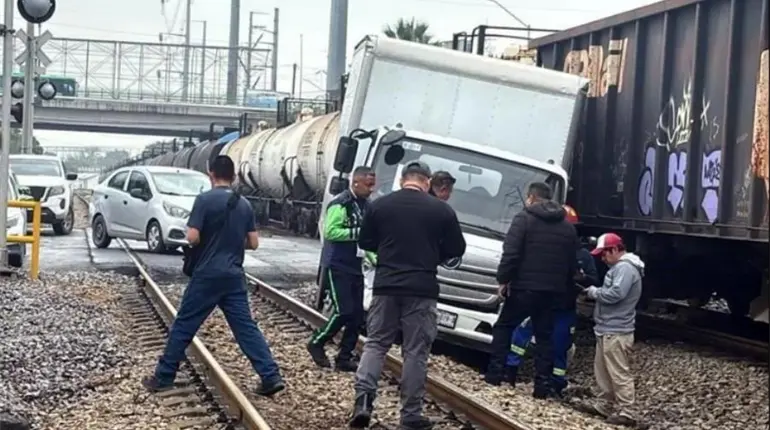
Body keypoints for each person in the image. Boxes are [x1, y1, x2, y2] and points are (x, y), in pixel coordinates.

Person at [142, 155, 284, 396]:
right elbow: (253, 243)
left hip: (207, 275)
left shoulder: (204, 200)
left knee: (184, 325)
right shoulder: (244, 204)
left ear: (211, 174)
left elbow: (192, 237)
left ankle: (164, 376)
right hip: (234, 276)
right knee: (246, 328)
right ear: (234, 176)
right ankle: (270, 376)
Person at [349, 161, 466, 430]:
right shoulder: (441, 210)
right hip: (421, 289)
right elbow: (456, 248)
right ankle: (411, 415)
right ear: (426, 182)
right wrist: (434, 252)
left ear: (403, 180)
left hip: (386, 285)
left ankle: (363, 403)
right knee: (415, 352)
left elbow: (365, 242)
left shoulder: (380, 205)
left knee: (376, 344)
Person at [484, 182, 579, 399]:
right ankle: (541, 386)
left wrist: (504, 280)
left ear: (530, 197)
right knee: (545, 337)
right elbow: (571, 265)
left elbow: (511, 253)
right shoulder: (567, 227)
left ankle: (495, 375)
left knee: (504, 326)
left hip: (523, 289)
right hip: (551, 293)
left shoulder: (523, 219)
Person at [504, 205, 598, 394]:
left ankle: (554, 383)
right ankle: (510, 373)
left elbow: (593, 279)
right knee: (520, 337)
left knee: (559, 345)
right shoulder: (541, 246)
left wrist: (581, 279)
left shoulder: (583, 256)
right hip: (541, 303)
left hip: (564, 308)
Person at [307, 166, 376, 371]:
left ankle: (344, 357)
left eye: (373, 185)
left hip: (356, 266)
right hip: (337, 265)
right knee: (343, 310)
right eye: (368, 184)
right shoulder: (340, 204)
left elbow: (365, 242)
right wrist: (359, 232)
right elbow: (331, 232)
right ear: (355, 182)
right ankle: (317, 342)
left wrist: (375, 258)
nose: (371, 189)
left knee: (357, 316)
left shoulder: (366, 206)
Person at [582, 232, 644, 426]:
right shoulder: (622, 267)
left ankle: (628, 411)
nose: (603, 258)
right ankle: (605, 404)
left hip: (617, 330)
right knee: (603, 370)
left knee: (618, 372)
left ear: (616, 249)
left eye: (605, 253)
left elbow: (616, 294)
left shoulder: (625, 268)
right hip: (608, 328)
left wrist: (594, 292)